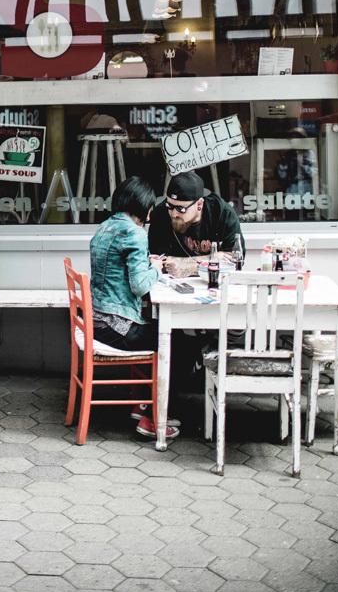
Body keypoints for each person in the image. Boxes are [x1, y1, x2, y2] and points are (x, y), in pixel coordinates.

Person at [89, 176, 179, 441]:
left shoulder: (105, 227)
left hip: (95, 320)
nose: (151, 214)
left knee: (160, 334)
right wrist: (157, 268)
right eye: (150, 207)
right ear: (143, 207)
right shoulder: (135, 233)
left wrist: (146, 263)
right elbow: (140, 286)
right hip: (116, 324)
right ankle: (154, 418)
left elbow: (118, 267)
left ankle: (142, 405)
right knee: (176, 343)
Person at [148, 171, 245, 277]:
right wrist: (213, 258)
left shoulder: (222, 213)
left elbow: (235, 260)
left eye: (181, 208)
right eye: (169, 206)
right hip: (172, 282)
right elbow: (157, 261)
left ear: (199, 204)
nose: (174, 214)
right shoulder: (160, 214)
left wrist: (190, 267)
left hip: (214, 280)